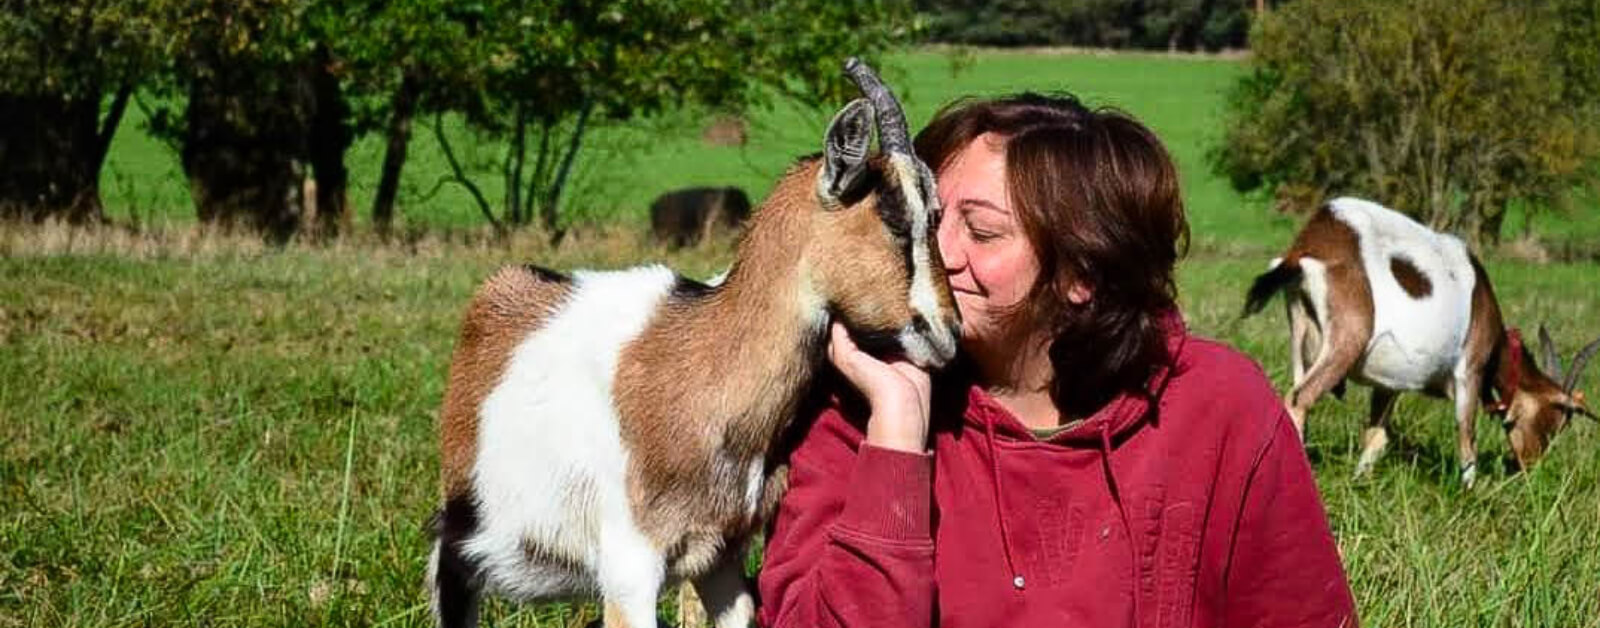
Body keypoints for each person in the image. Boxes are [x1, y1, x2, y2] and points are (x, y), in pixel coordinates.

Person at [756, 93, 1357, 627]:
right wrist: (895, 440)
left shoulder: (1219, 407)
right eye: (929, 218)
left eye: (981, 232)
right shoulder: (857, 401)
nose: (934, 252)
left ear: (1081, 275)